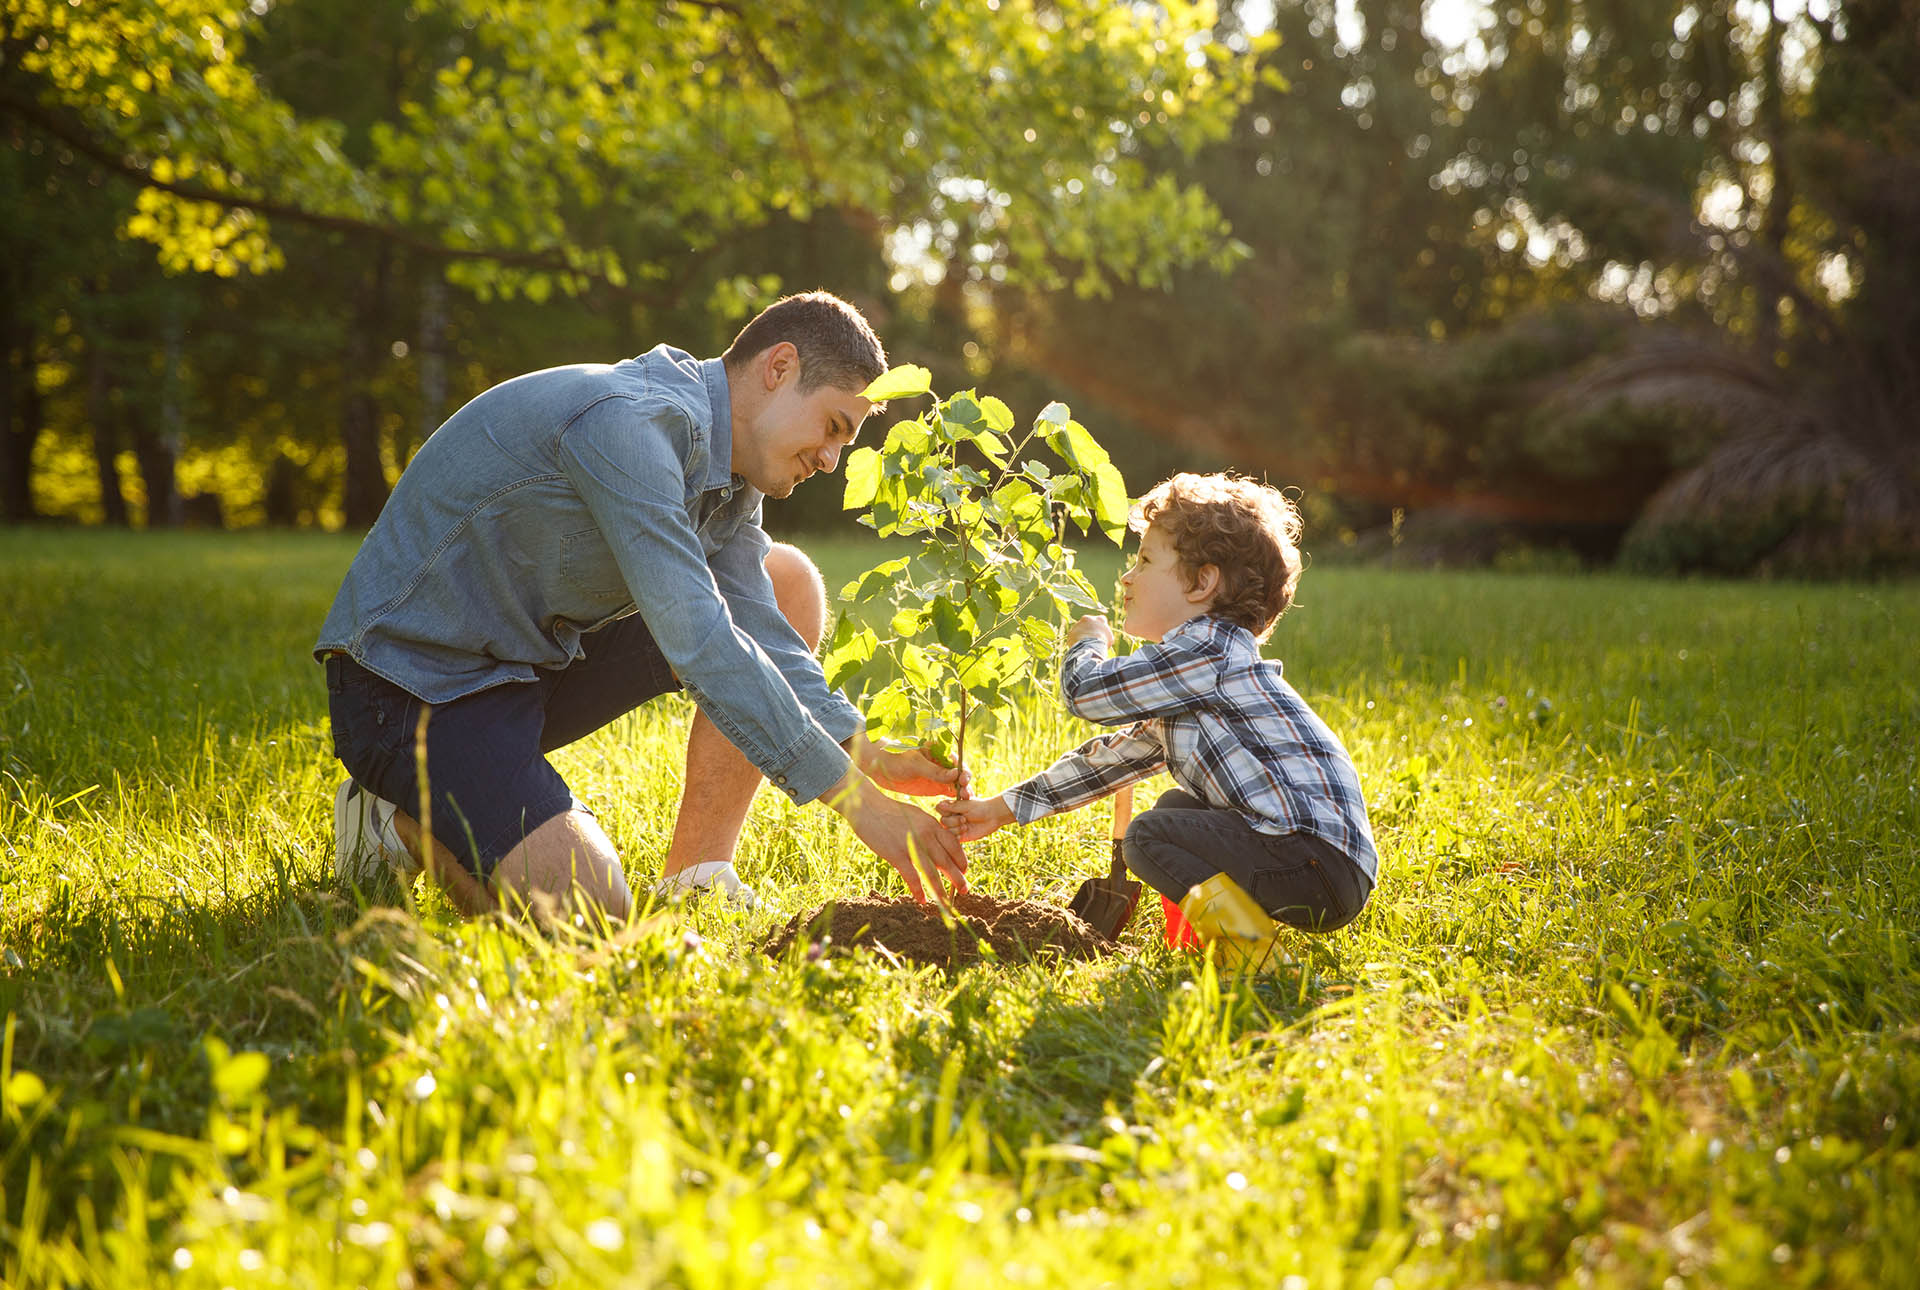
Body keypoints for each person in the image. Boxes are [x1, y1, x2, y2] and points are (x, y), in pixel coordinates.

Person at [316, 291, 968, 923]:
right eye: (833, 428)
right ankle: (392, 824)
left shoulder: (731, 479)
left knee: (784, 580)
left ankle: (697, 877)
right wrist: (860, 805)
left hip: (525, 668)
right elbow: (701, 639)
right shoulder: (629, 423)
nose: (830, 460)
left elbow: (759, 629)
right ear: (780, 367)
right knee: (590, 914)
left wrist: (863, 752)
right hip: (411, 691)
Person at [938, 472, 1377, 962]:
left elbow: (1085, 693)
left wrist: (1089, 645)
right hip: (1322, 864)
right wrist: (1000, 809)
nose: (1127, 577)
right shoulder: (1195, 677)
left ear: (1202, 582)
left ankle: (1254, 956)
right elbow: (1108, 763)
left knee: (1146, 837)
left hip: (1310, 860)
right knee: (1173, 809)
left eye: (1144, 560)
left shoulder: (1206, 651)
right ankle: (1203, 944)